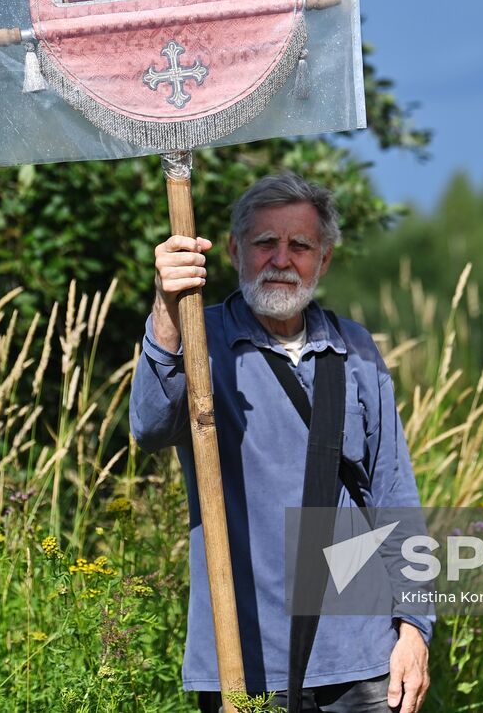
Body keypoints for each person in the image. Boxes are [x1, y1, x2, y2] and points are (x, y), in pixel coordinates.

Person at [130, 173, 431, 712]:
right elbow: (150, 427)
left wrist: (413, 628)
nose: (282, 259)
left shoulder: (355, 349)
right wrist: (167, 310)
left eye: (300, 246)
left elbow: (395, 494)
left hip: (360, 660)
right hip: (241, 658)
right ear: (233, 250)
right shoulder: (202, 340)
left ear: (325, 260)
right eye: (265, 243)